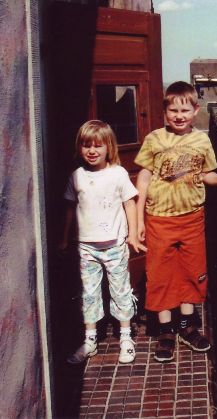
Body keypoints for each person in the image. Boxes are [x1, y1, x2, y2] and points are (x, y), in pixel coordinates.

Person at [135, 81, 217, 362]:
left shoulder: (201, 141)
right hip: (159, 219)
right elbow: (143, 178)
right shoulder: (154, 139)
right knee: (161, 274)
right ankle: (166, 330)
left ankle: (187, 327)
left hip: (192, 218)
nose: (179, 116)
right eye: (173, 110)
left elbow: (205, 174)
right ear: (165, 111)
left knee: (192, 272)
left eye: (185, 110)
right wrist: (139, 218)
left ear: (195, 111)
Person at [61, 120, 146, 364]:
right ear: (79, 147)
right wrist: (64, 238)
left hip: (114, 245)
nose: (92, 151)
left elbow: (130, 204)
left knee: (121, 290)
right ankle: (90, 340)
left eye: (98, 146)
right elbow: (70, 208)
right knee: (89, 293)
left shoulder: (118, 174)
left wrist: (132, 234)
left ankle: (126, 337)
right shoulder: (77, 176)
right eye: (86, 145)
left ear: (109, 147)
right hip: (86, 247)